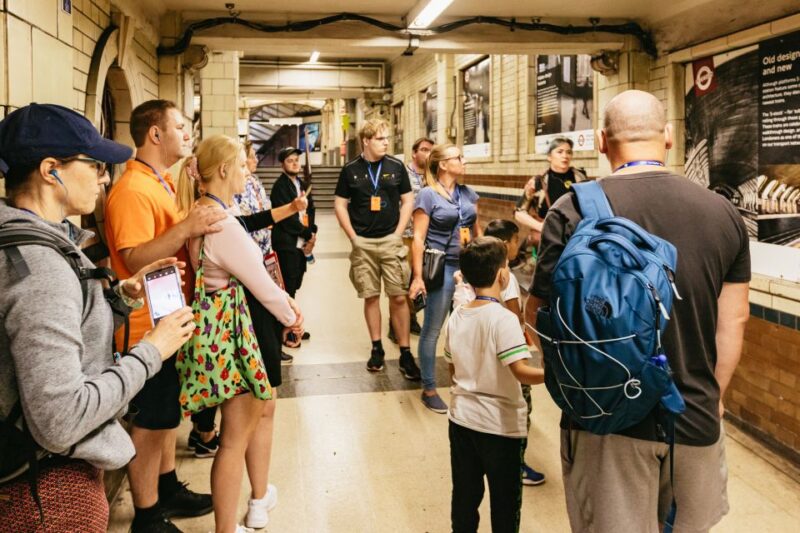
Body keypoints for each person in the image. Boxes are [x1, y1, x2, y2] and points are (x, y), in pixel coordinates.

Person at [525, 90, 751, 532]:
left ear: (601, 140)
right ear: (668, 137)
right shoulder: (723, 212)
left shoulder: (571, 210)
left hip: (604, 422)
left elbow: (538, 320)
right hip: (693, 415)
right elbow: (734, 321)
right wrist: (713, 396)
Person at [0, 104, 194, 531]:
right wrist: (151, 352)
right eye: (96, 165)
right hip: (49, 492)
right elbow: (60, 419)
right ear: (52, 170)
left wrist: (121, 299)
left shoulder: (34, 241)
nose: (106, 177)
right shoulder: (40, 266)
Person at [105, 99, 224, 532]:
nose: (186, 133)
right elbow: (134, 256)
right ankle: (147, 513)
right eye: (179, 126)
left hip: (169, 319)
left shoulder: (160, 182)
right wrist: (185, 229)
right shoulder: (133, 189)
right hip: (144, 328)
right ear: (155, 135)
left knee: (167, 417)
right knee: (151, 423)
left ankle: (167, 486)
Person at [177, 148, 308, 529]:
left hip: (223, 330)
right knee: (234, 441)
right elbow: (260, 284)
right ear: (222, 169)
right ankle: (228, 525)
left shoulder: (206, 210)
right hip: (235, 335)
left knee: (241, 431)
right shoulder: (221, 223)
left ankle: (251, 505)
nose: (246, 173)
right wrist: (293, 316)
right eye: (240, 166)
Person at [445, 236, 544, 533]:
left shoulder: (457, 316)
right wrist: (556, 376)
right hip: (500, 428)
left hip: (461, 420)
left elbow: (452, 369)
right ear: (503, 274)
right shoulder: (503, 319)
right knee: (505, 503)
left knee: (464, 495)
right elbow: (521, 372)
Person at [333, 118, 420, 380]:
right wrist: (353, 237)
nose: (386, 143)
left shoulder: (396, 167)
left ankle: (405, 352)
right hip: (364, 244)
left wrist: (397, 233)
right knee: (370, 296)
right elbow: (340, 204)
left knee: (398, 296)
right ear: (366, 141)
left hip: (391, 241)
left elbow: (407, 201)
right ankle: (377, 347)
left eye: (387, 139)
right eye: (381, 138)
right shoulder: (350, 170)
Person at [409, 143, 481, 413]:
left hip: (468, 268)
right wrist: (418, 277)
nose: (464, 161)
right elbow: (417, 238)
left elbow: (476, 230)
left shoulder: (467, 193)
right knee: (433, 331)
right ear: (443, 165)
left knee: (466, 329)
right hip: (442, 269)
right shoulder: (428, 195)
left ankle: (463, 384)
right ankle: (429, 389)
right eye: (458, 158)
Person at [270, 146, 317, 348]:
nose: (295, 163)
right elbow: (286, 218)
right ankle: (285, 330)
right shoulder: (280, 187)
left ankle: (293, 324)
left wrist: (312, 231)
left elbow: (311, 209)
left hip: (300, 242)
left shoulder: (302, 184)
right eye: (290, 161)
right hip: (286, 243)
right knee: (287, 287)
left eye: (297, 160)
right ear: (283, 164)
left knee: (295, 283)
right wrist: (306, 233)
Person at [389, 136, 433, 342]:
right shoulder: (401, 173)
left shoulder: (432, 176)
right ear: (414, 152)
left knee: (419, 278)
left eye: (430, 150)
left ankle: (412, 316)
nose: (427, 153)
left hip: (425, 237)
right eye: (423, 149)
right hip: (405, 235)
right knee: (401, 281)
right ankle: (395, 323)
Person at [514, 137, 587, 249]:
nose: (565, 156)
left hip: (574, 239)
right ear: (549, 156)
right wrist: (540, 226)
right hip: (548, 242)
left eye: (568, 152)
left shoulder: (580, 178)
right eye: (560, 152)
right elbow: (518, 213)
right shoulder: (538, 182)